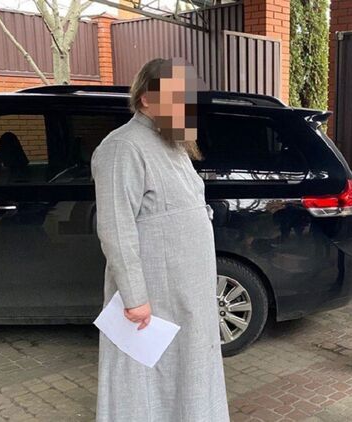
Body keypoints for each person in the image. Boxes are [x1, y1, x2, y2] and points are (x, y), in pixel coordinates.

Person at [92, 58, 229, 422]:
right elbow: (115, 226)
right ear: (146, 99)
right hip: (153, 303)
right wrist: (135, 297)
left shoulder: (173, 144)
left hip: (187, 296)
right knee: (146, 385)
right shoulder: (123, 147)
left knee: (189, 377)